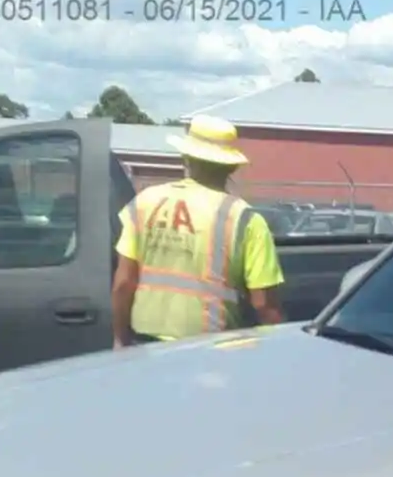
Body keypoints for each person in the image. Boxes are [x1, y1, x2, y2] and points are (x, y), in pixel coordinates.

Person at [111, 115, 285, 347]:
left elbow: (123, 283)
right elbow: (264, 305)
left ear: (186, 158)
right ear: (232, 166)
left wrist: (120, 340)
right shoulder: (246, 219)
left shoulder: (145, 202)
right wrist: (280, 344)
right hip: (211, 350)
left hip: (144, 348)